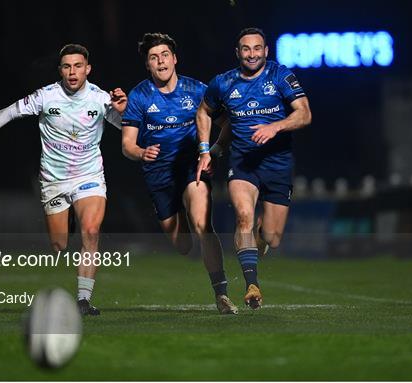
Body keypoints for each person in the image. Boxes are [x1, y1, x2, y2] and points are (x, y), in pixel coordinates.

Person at [0, 44, 127, 316]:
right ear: (61, 70)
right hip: (54, 179)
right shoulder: (46, 96)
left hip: (88, 176)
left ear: (87, 69)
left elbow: (127, 128)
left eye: (78, 66)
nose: (72, 71)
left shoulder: (100, 98)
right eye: (67, 66)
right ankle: (71, 217)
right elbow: (11, 111)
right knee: (59, 244)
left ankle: (83, 300)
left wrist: (124, 111)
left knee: (90, 231)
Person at [121, 33, 238, 315]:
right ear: (148, 66)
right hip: (159, 175)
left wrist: (212, 151)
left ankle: (221, 294)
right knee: (184, 245)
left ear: (174, 59)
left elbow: (227, 124)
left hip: (190, 167)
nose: (160, 61)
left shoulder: (197, 90)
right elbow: (127, 144)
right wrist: (141, 153)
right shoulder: (139, 95)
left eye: (164, 55)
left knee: (202, 225)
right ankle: (180, 214)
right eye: (153, 57)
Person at [196, 27, 312, 309]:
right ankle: (252, 284)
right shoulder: (223, 83)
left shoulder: (280, 76)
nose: (251, 54)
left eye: (257, 48)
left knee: (271, 236)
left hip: (278, 163)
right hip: (243, 163)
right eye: (246, 49)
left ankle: (255, 246)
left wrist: (275, 127)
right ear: (238, 53)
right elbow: (203, 112)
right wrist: (207, 151)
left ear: (266, 51)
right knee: (244, 216)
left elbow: (304, 113)